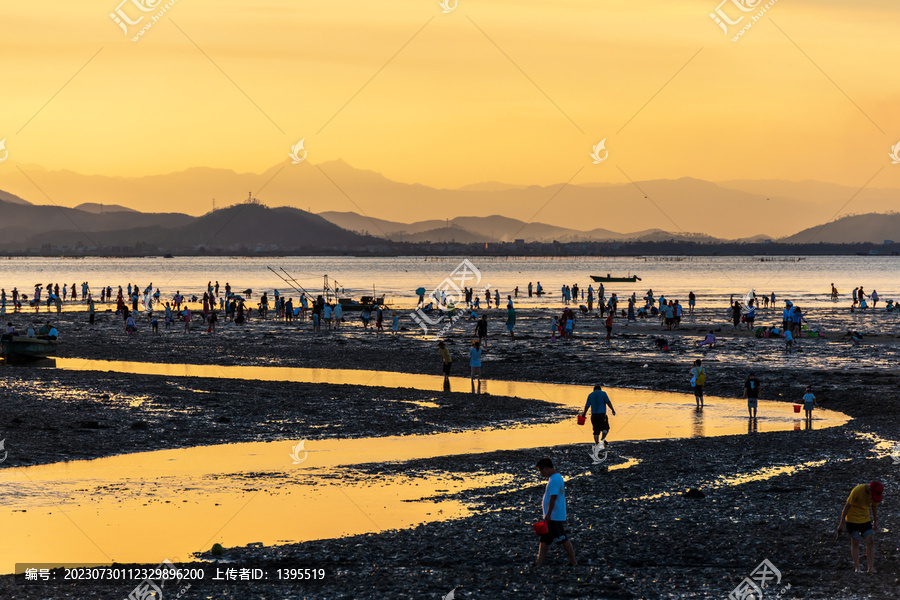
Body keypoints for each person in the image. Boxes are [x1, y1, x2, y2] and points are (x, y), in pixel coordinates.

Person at [534, 457, 577, 567]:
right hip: (551, 516)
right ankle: (539, 562)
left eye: (541, 470)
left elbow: (553, 498)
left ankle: (573, 561)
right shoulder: (555, 478)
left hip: (554, 516)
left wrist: (548, 514)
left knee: (562, 538)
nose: (541, 473)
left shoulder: (555, 480)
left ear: (546, 468)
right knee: (544, 540)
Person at [836, 481, 883, 573]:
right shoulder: (857, 490)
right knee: (855, 542)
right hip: (852, 519)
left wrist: (875, 522)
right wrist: (841, 524)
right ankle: (857, 568)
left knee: (871, 540)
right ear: (870, 489)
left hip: (865, 519)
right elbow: (846, 507)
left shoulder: (874, 494)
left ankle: (871, 567)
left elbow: (874, 507)